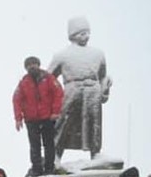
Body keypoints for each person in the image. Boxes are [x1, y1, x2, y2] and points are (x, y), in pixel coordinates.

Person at [48, 17, 112, 161]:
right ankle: (56, 154)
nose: (85, 36)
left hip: (92, 91)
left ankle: (95, 152)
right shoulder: (62, 55)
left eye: (87, 32)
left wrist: (105, 87)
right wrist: (55, 95)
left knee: (94, 123)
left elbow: (102, 76)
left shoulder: (98, 54)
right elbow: (49, 77)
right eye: (81, 33)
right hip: (72, 90)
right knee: (64, 122)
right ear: (72, 34)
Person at [12, 56, 64, 177]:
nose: (31, 67)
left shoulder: (49, 78)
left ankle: (49, 168)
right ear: (26, 68)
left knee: (49, 144)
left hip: (48, 118)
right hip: (31, 119)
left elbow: (59, 93)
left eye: (34, 64)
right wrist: (18, 118)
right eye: (29, 65)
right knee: (34, 145)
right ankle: (36, 168)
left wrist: (56, 111)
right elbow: (16, 100)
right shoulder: (23, 83)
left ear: (38, 65)